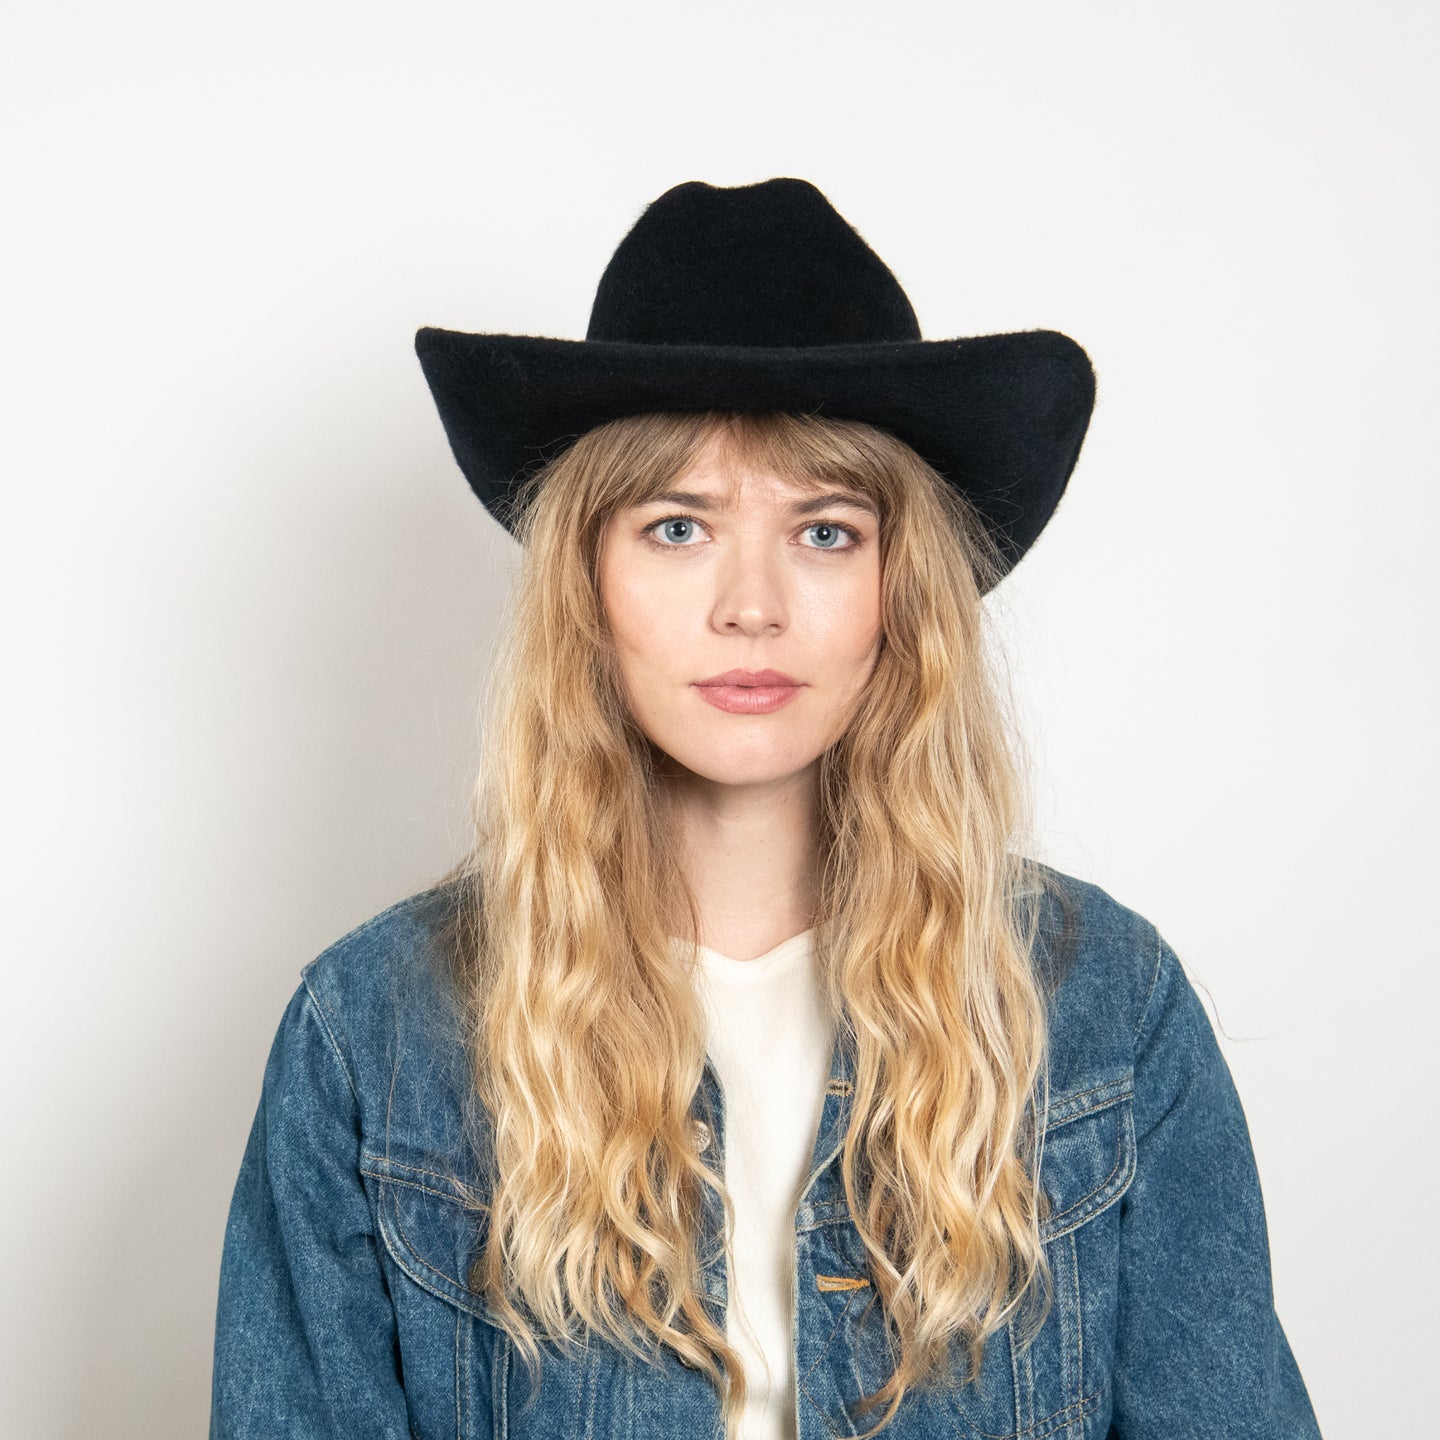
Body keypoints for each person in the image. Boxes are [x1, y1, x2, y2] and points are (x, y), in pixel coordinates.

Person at [209, 178, 1323, 1440]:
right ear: (588, 583)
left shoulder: (1104, 1013)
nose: (753, 605)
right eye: (676, 526)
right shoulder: (371, 1040)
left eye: (828, 532)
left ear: (905, 592)